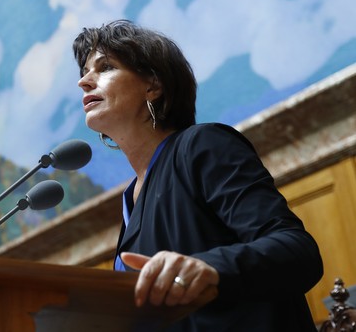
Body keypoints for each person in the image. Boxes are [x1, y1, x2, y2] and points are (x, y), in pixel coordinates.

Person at [72, 19, 323, 331]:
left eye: (105, 67)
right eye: (84, 73)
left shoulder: (202, 146)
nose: (85, 82)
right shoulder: (131, 199)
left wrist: (210, 268)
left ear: (153, 85)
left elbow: (297, 251)